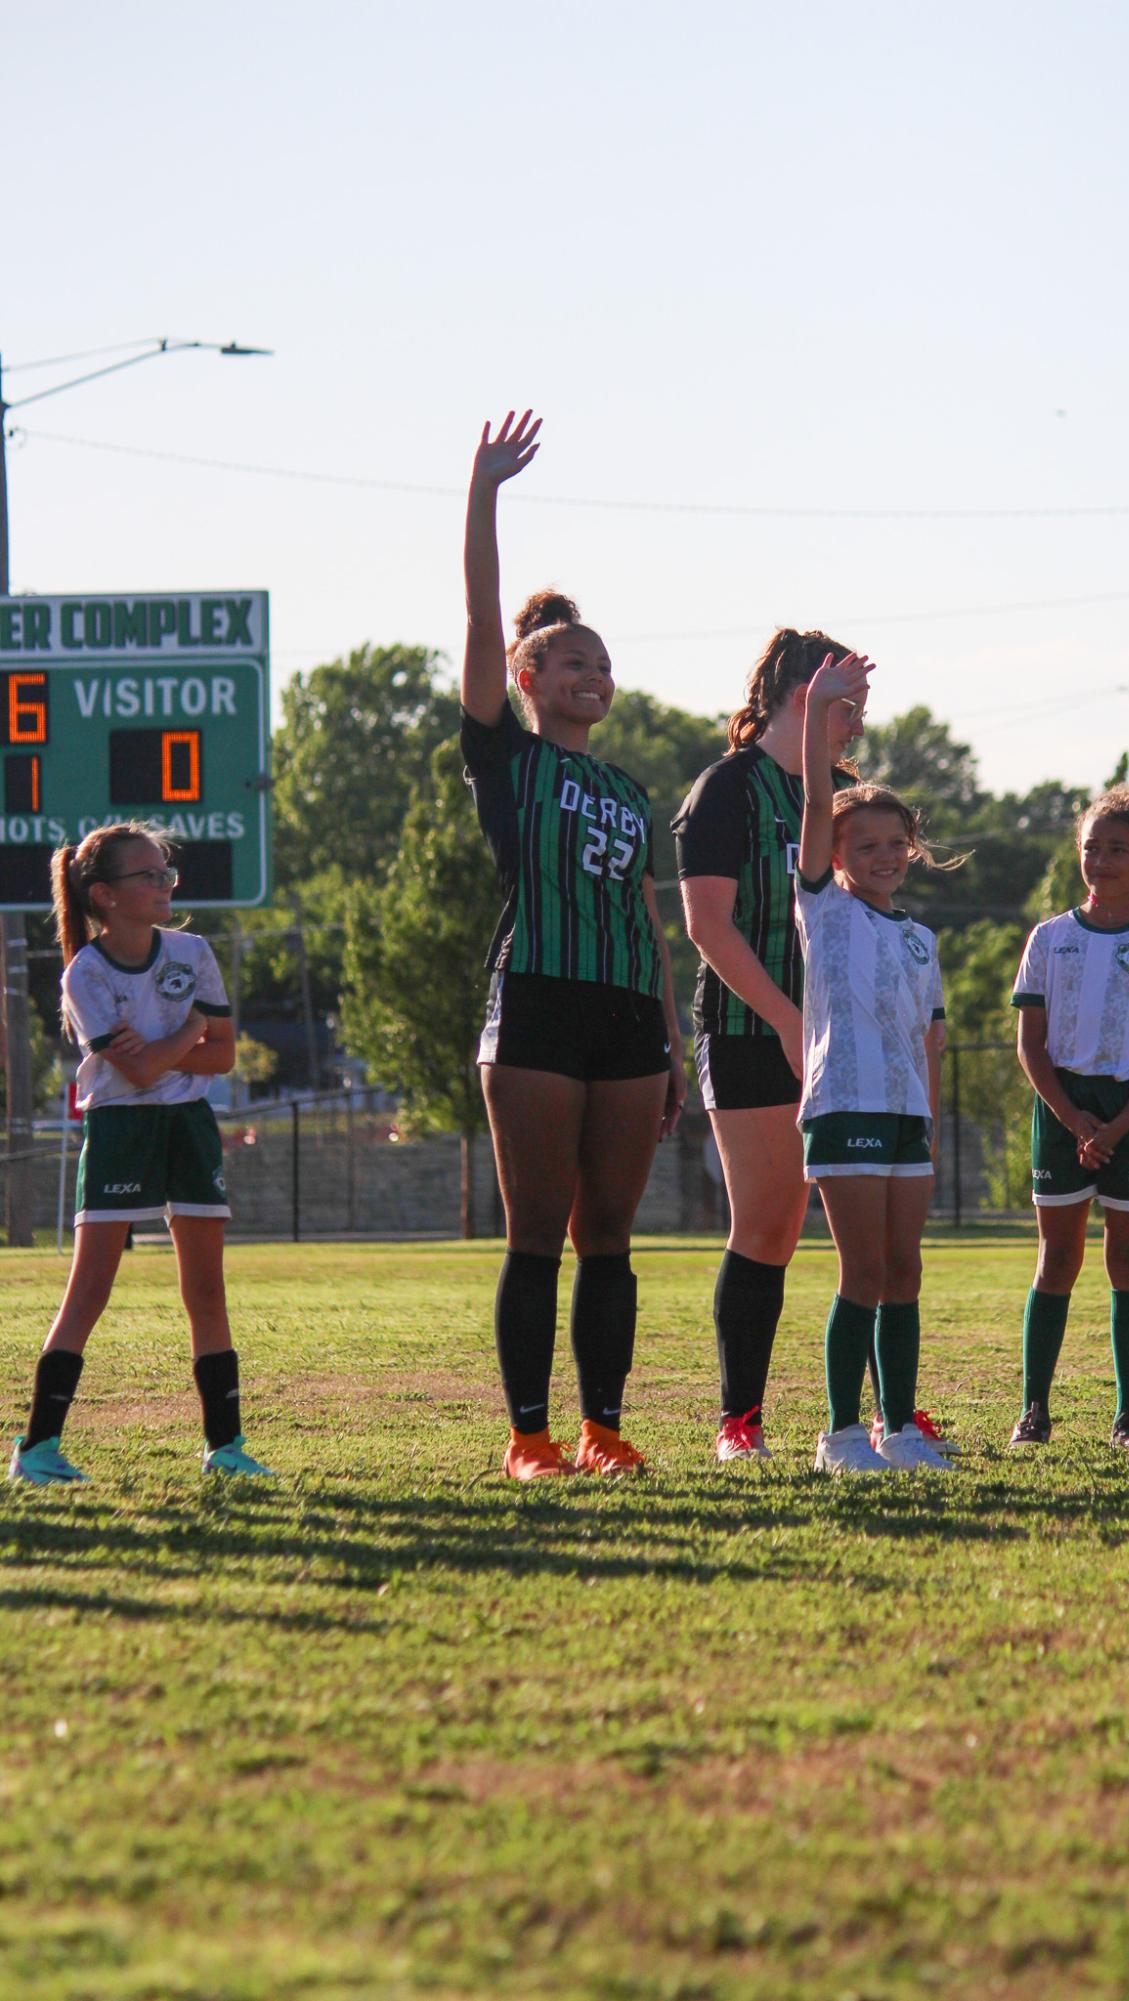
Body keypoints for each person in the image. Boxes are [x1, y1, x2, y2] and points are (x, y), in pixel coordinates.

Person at [461, 411, 686, 1481]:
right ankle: (528, 1436)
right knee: (536, 1229)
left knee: (611, 1232)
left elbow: (646, 919)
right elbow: (474, 616)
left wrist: (671, 1040)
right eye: (564, 660)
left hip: (627, 1017)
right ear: (523, 679)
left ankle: (601, 1427)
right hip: (538, 1002)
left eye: (598, 660)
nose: (587, 672)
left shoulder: (626, 788)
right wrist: (484, 494)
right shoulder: (506, 759)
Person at [9, 824, 269, 1486]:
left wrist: (174, 1049)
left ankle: (225, 1445)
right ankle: (38, 1449)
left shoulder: (194, 952)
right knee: (90, 1289)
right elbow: (152, 1070)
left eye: (166, 874)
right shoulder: (85, 974)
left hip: (190, 1125)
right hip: (121, 1128)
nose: (165, 886)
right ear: (105, 894)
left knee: (206, 1289)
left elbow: (224, 1054)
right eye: (148, 876)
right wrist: (187, 1030)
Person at [673, 627, 864, 1461]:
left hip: (842, 1037)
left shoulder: (841, 794)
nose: (854, 724)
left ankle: (882, 1411)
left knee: (870, 1225)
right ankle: (738, 1420)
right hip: (752, 1030)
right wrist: (789, 1017)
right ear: (803, 693)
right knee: (769, 1225)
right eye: (846, 705)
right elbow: (706, 923)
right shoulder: (728, 788)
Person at [795, 654, 958, 1476]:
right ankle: (841, 1435)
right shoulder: (821, 905)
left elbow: (930, 1037)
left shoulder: (920, 938)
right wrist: (826, 712)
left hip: (905, 1117)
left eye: (898, 842)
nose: (886, 854)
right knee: (860, 1270)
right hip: (844, 1106)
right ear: (835, 849)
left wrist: (927, 1118)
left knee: (904, 1269)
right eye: (868, 842)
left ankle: (900, 1427)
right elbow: (819, 798)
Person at [1008, 783, 1129, 1449]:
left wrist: (1114, 1126)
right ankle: (1033, 1411)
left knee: (1128, 1258)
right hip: (1063, 1105)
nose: (1102, 859)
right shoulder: (1050, 939)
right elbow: (1030, 1043)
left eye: (1119, 848)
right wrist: (1075, 1118)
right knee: (1057, 1256)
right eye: (1092, 846)